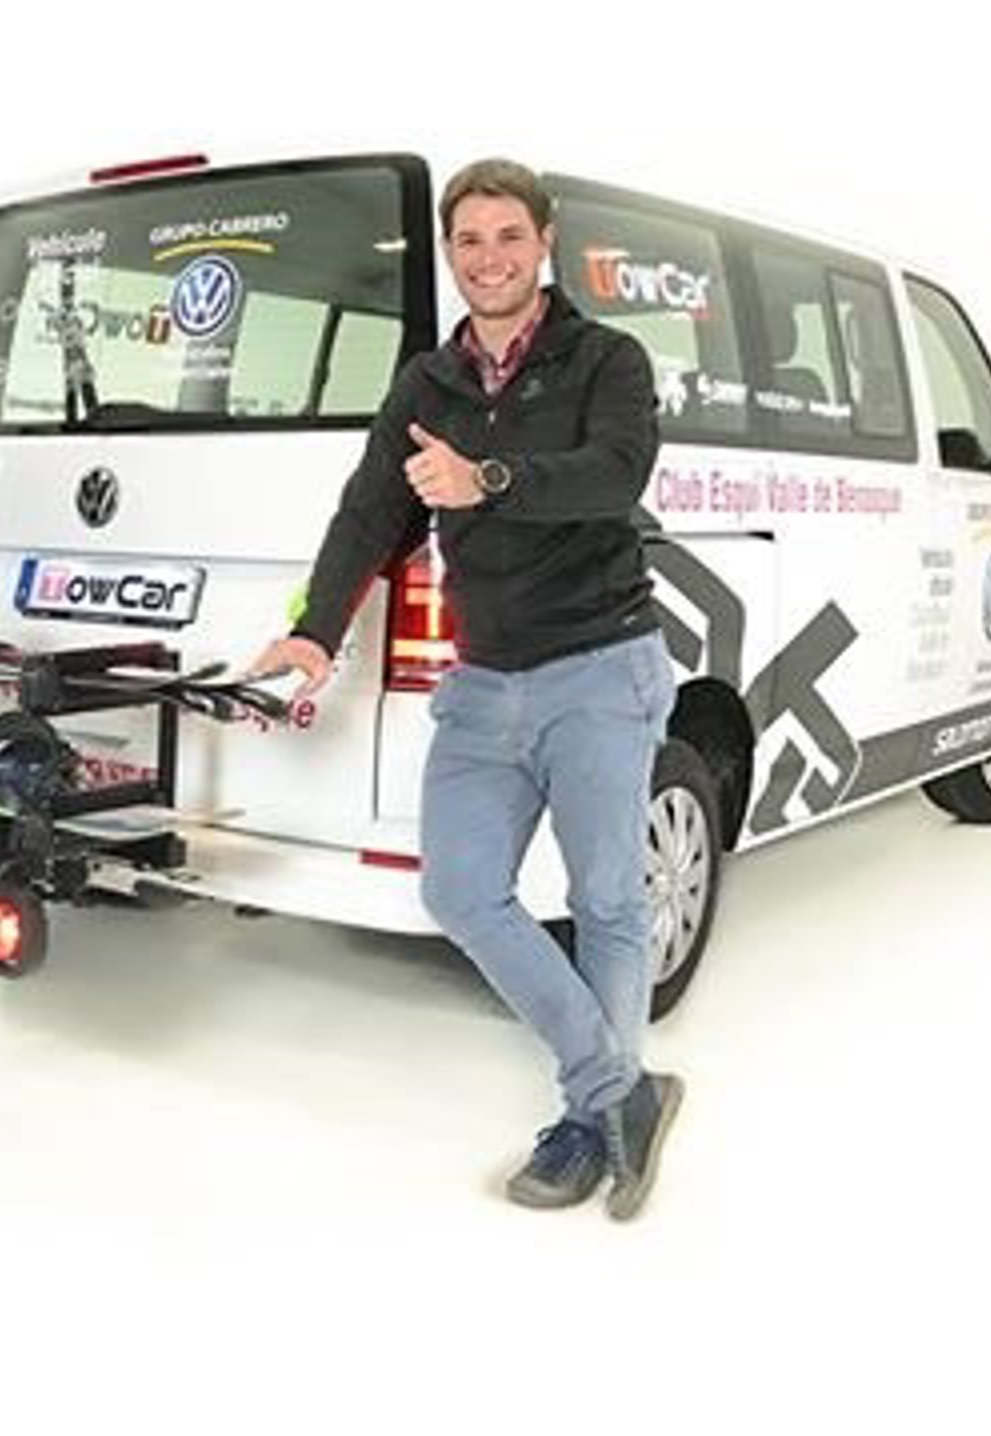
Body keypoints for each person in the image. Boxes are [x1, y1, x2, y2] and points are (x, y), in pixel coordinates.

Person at [250, 159, 682, 1218]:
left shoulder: (607, 359)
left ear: (545, 242)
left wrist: (485, 479)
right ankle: (619, 1091)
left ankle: (585, 1119)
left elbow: (615, 475)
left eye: (508, 236)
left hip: (600, 666)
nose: (489, 259)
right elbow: (369, 511)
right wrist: (315, 631)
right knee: (459, 890)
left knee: (607, 902)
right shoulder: (427, 384)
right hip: (485, 683)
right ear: (450, 253)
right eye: (469, 241)